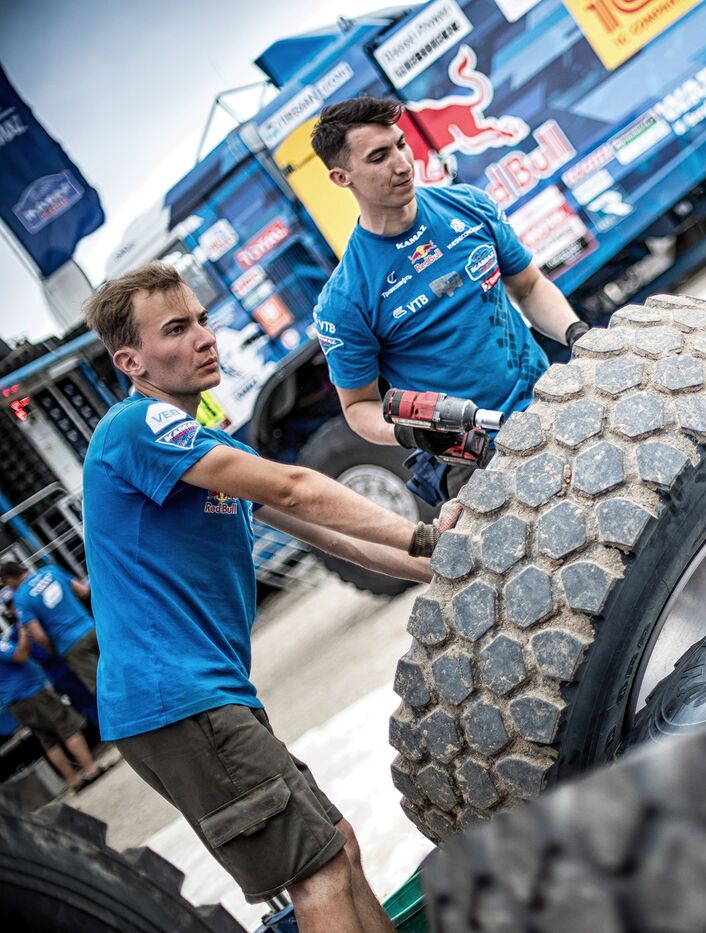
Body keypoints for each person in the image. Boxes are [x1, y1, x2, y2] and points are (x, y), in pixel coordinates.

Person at [80, 262, 462, 933]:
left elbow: (333, 537)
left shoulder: (204, 448)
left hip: (207, 695)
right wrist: (425, 534)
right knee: (317, 874)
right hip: (177, 700)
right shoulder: (138, 428)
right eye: (177, 328)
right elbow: (295, 488)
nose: (205, 337)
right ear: (131, 361)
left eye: (202, 319)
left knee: (336, 843)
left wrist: (445, 562)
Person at [309, 96, 590, 504]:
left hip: (550, 403)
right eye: (379, 157)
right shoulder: (344, 299)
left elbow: (528, 286)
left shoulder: (468, 206)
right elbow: (358, 407)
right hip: (472, 459)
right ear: (341, 177)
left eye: (401, 145)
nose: (403, 164)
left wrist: (576, 333)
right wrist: (410, 433)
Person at [0, 620, 101, 791]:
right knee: (68, 727)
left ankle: (74, 781)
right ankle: (92, 769)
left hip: (15, 702)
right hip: (31, 693)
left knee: (48, 740)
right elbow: (20, 655)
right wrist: (23, 633)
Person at [2, 561, 100, 695]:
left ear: (9, 579)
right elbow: (83, 591)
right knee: (121, 668)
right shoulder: (51, 570)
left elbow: (39, 636)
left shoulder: (20, 598)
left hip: (70, 645)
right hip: (93, 629)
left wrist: (54, 650)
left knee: (102, 688)